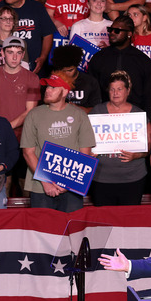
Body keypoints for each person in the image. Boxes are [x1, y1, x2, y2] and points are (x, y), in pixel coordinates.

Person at [21, 71, 96, 212]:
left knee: (72, 231)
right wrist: (46, 182)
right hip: (40, 187)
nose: (48, 90)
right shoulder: (34, 115)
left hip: (71, 188)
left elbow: (84, 154)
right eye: (47, 87)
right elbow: (28, 152)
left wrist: (66, 184)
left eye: (53, 87)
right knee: (43, 232)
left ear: (65, 91)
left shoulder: (79, 115)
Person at [89, 70, 151, 206]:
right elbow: (85, 139)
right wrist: (88, 152)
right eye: (112, 89)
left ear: (128, 91)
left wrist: (137, 155)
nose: (115, 93)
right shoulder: (97, 111)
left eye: (119, 89)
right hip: (101, 178)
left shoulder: (138, 114)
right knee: (103, 220)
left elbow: (149, 143)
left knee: (128, 221)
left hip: (132, 178)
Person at [87, 15, 151, 124]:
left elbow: (150, 97)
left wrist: (149, 123)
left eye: (117, 31)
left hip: (135, 120)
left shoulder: (143, 60)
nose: (112, 33)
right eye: (110, 30)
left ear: (129, 33)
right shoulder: (98, 59)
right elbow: (91, 94)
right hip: (104, 119)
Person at [0, 36, 39, 141]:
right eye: (10, 52)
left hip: (24, 136)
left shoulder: (33, 78)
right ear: (2, 53)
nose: (14, 57)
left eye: (18, 53)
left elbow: (30, 111)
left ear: (23, 55)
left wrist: (7, 127)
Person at [53, 45, 101, 112]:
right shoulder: (52, 82)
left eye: (70, 70)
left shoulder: (90, 82)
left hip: (83, 120)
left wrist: (76, 108)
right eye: (63, 70)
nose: (66, 73)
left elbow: (97, 111)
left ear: (77, 66)